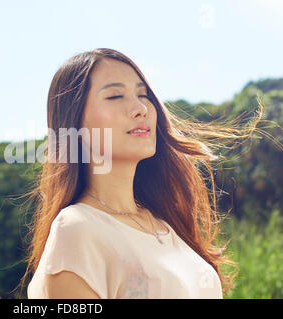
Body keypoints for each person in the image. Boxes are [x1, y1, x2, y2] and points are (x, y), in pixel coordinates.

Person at [18, 48, 259, 298]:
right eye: (115, 96)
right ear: (75, 123)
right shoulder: (76, 229)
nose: (140, 108)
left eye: (143, 95)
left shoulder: (165, 223)